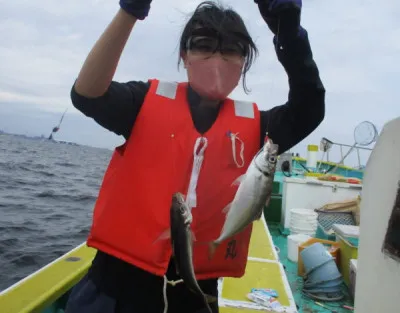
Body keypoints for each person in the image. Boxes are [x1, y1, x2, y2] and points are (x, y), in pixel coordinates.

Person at [65, 0, 325, 312]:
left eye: (232, 49)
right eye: (203, 46)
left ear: (244, 61)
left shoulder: (259, 129)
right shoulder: (142, 103)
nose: (217, 59)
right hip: (113, 291)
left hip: (197, 298)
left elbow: (309, 107)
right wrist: (129, 11)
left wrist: (290, 35)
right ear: (184, 55)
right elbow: (87, 94)